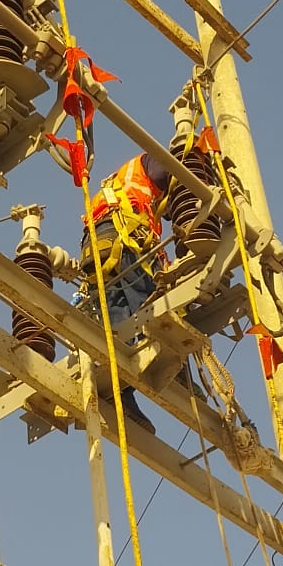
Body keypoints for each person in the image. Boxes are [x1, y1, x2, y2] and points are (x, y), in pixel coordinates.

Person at [74, 151, 171, 435]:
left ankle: (122, 395)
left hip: (98, 245)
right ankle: (182, 377)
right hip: (123, 237)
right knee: (152, 310)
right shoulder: (155, 161)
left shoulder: (118, 184)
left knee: (118, 321)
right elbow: (165, 174)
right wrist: (193, 183)